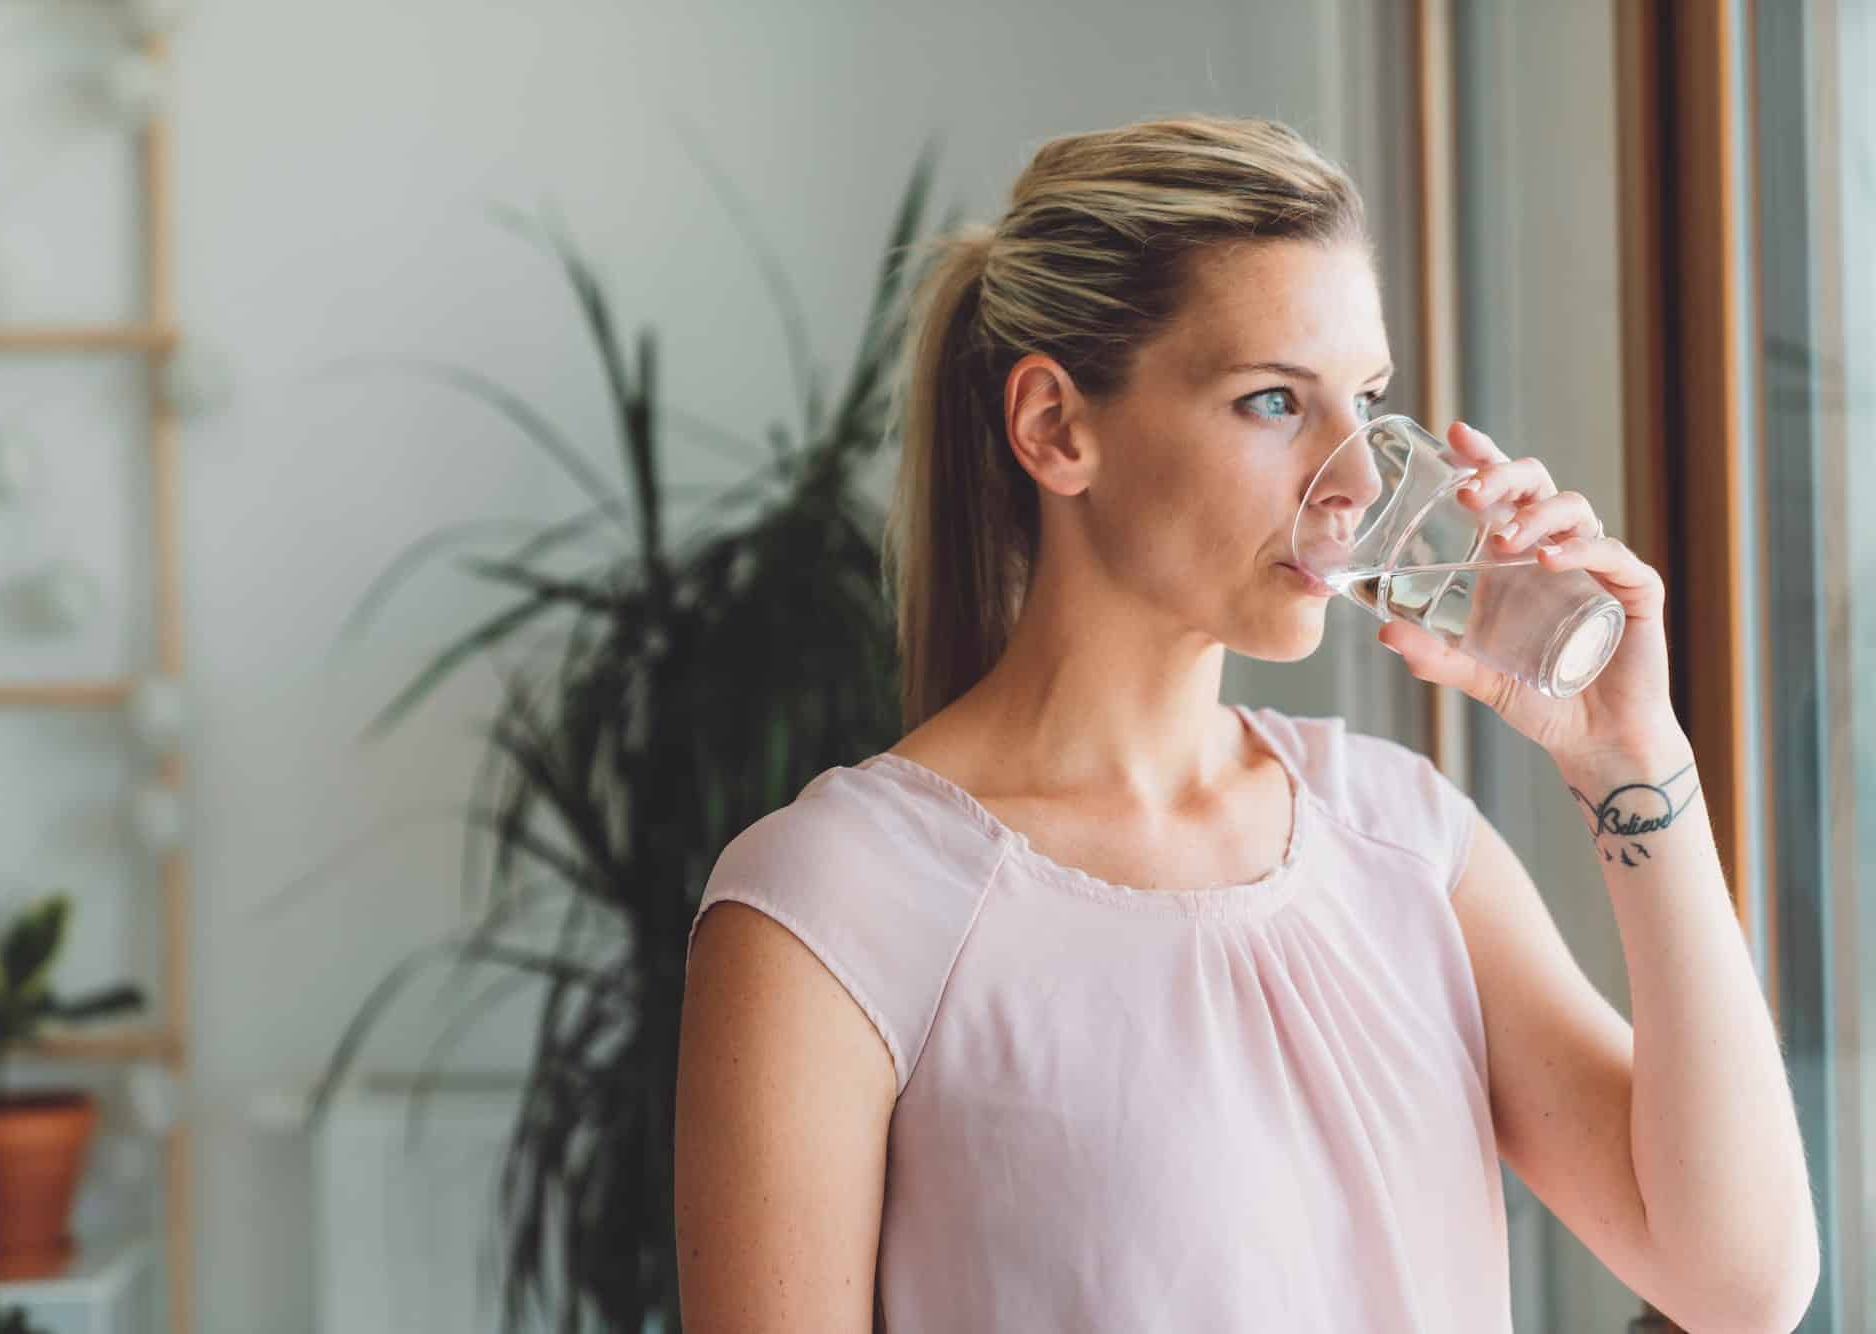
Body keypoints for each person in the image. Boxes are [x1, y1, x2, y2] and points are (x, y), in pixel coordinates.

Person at [672, 114, 1817, 1333]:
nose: (1362, 481)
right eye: (1273, 400)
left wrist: (1630, 759)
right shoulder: (830, 906)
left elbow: (1739, 1284)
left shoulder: (1401, 838)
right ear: (1055, 427)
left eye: (1366, 401)